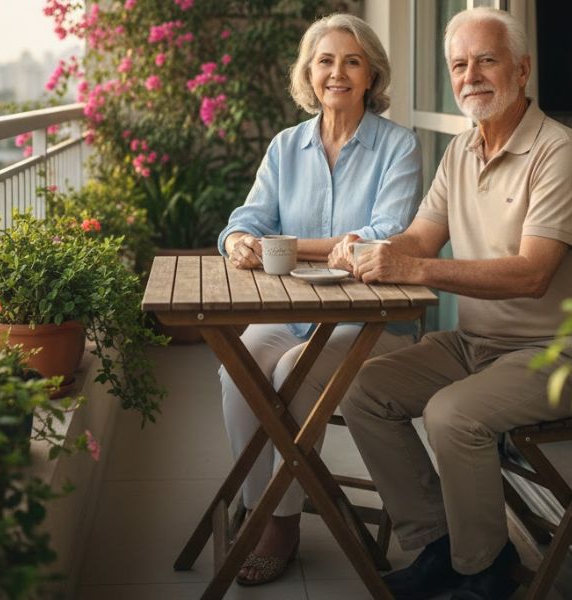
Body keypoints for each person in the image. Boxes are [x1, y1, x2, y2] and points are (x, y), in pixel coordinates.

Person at [329, 8, 572, 600]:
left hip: (561, 354)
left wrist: (411, 267)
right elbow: (421, 239)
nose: (471, 75)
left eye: (487, 60)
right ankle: (440, 545)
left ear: (522, 70)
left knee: (453, 415)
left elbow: (533, 275)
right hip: (476, 345)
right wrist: (369, 247)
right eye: (459, 65)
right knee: (362, 389)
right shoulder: (462, 150)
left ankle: (485, 571)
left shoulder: (560, 152)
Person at [217, 13, 423, 587]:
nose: (338, 72)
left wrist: (283, 246)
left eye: (352, 61)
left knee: (287, 370)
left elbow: (385, 234)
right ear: (309, 73)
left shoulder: (398, 145)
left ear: (371, 75)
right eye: (326, 61)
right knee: (237, 370)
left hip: (374, 322)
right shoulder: (287, 147)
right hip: (295, 313)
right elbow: (246, 220)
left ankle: (276, 521)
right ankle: (270, 508)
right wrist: (237, 241)